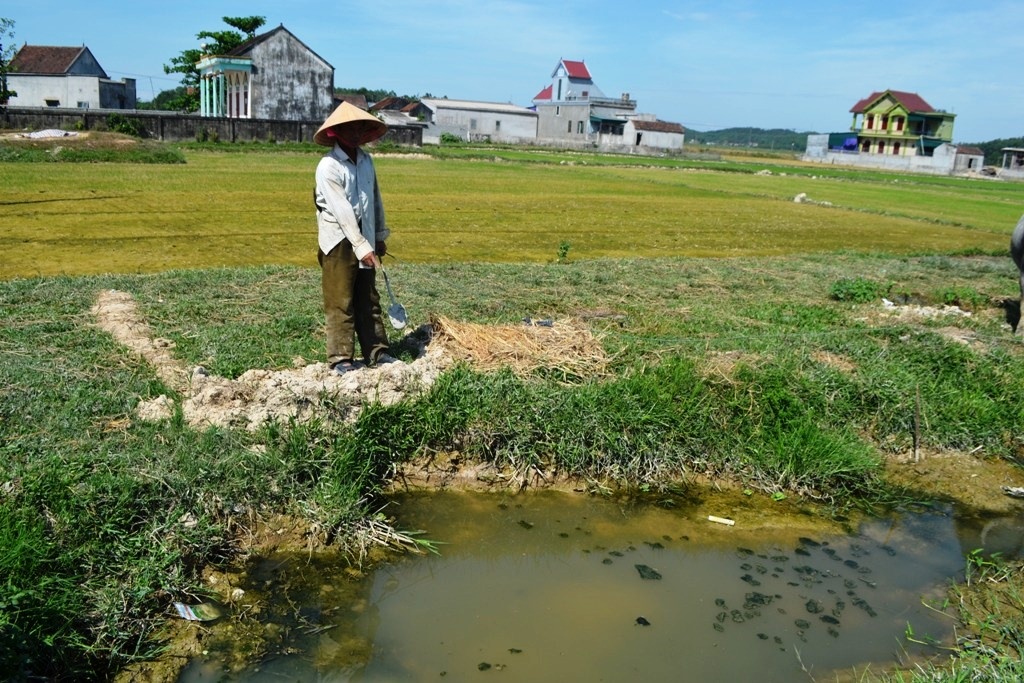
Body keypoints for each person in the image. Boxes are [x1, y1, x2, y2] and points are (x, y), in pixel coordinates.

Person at [313, 102, 397, 374]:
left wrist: (379, 236)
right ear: (337, 132)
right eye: (349, 128)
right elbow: (342, 211)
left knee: (368, 297)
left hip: (365, 238)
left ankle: (377, 351)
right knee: (341, 299)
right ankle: (341, 358)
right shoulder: (329, 166)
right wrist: (362, 247)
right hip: (338, 242)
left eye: (360, 128)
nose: (356, 133)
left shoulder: (366, 161)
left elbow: (375, 201)